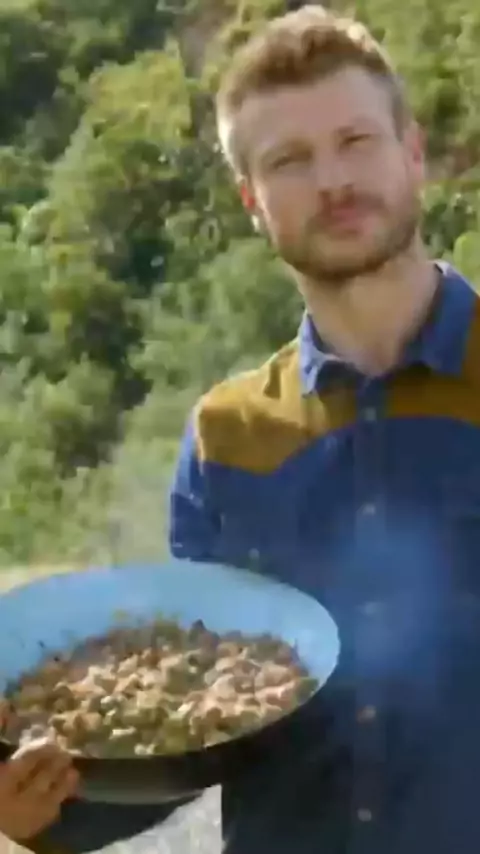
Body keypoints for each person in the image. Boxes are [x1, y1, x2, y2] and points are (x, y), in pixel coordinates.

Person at [7, 5, 480, 852]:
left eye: (355, 140)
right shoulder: (227, 437)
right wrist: (41, 810)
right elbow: (195, 731)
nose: (332, 181)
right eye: (289, 160)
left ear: (413, 153)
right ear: (251, 200)